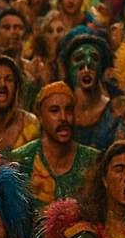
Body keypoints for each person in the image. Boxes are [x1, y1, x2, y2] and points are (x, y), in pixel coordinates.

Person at [13, 81, 101, 211]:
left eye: (69, 110)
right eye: (54, 111)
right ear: (40, 116)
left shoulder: (94, 160)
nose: (63, 117)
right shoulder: (22, 159)